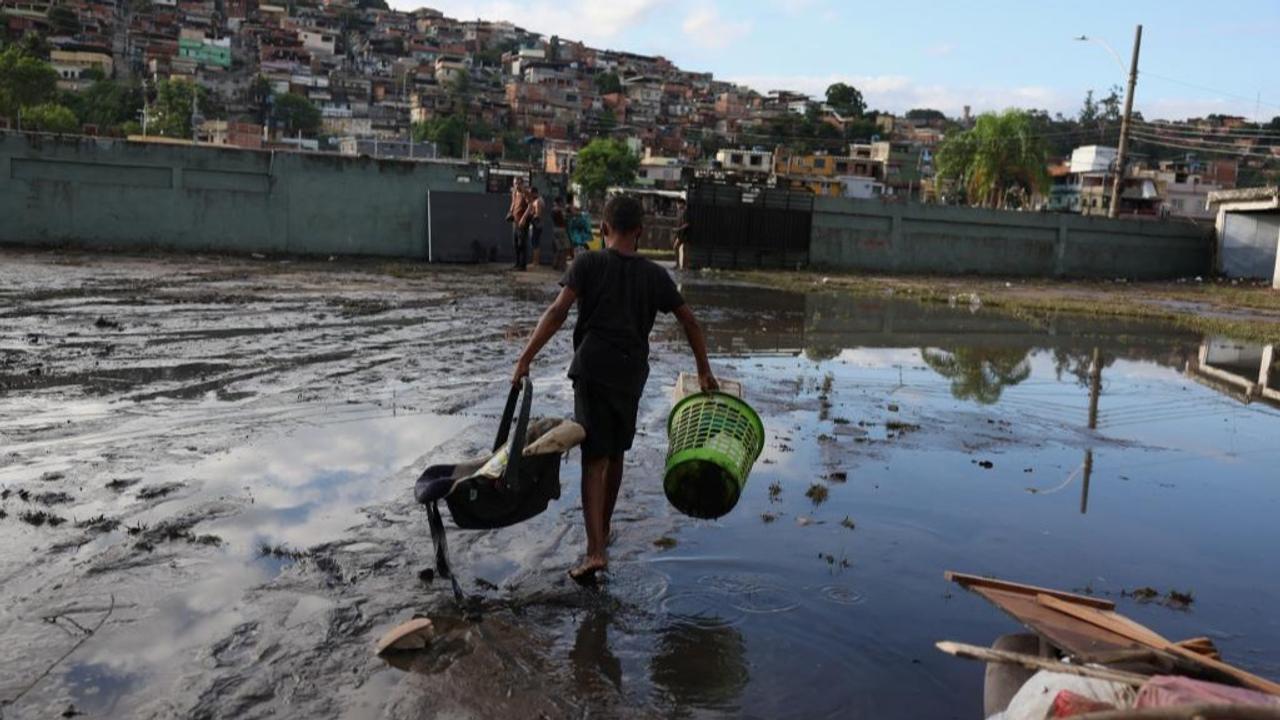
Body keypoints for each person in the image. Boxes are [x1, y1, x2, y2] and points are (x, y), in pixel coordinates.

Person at [512, 194, 719, 582]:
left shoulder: (588, 262)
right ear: (639, 232)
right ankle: (601, 534)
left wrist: (525, 358)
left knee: (594, 458)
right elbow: (690, 321)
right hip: (630, 374)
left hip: (593, 369)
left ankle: (594, 552)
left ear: (603, 229)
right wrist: (703, 371)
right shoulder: (654, 275)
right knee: (616, 454)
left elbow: (557, 311)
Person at [507, 178, 530, 270]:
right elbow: (513, 203)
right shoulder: (515, 193)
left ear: (522, 184)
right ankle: (517, 263)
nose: (517, 186)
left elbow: (530, 206)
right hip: (515, 221)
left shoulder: (525, 193)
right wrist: (510, 212)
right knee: (515, 243)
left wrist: (524, 218)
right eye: (515, 184)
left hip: (522, 222)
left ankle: (522, 265)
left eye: (518, 184)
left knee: (522, 243)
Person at [522, 187, 545, 268]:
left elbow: (538, 214)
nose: (530, 195)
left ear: (534, 193)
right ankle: (535, 262)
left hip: (536, 225)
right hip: (537, 225)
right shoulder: (538, 200)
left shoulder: (538, 201)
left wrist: (529, 216)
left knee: (535, 244)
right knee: (535, 243)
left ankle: (535, 262)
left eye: (531, 193)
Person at [551, 197, 570, 271]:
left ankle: (555, 264)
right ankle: (563, 266)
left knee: (559, 249)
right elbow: (564, 219)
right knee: (565, 248)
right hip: (561, 229)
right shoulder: (560, 210)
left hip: (555, 229)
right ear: (559, 202)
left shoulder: (553, 210)